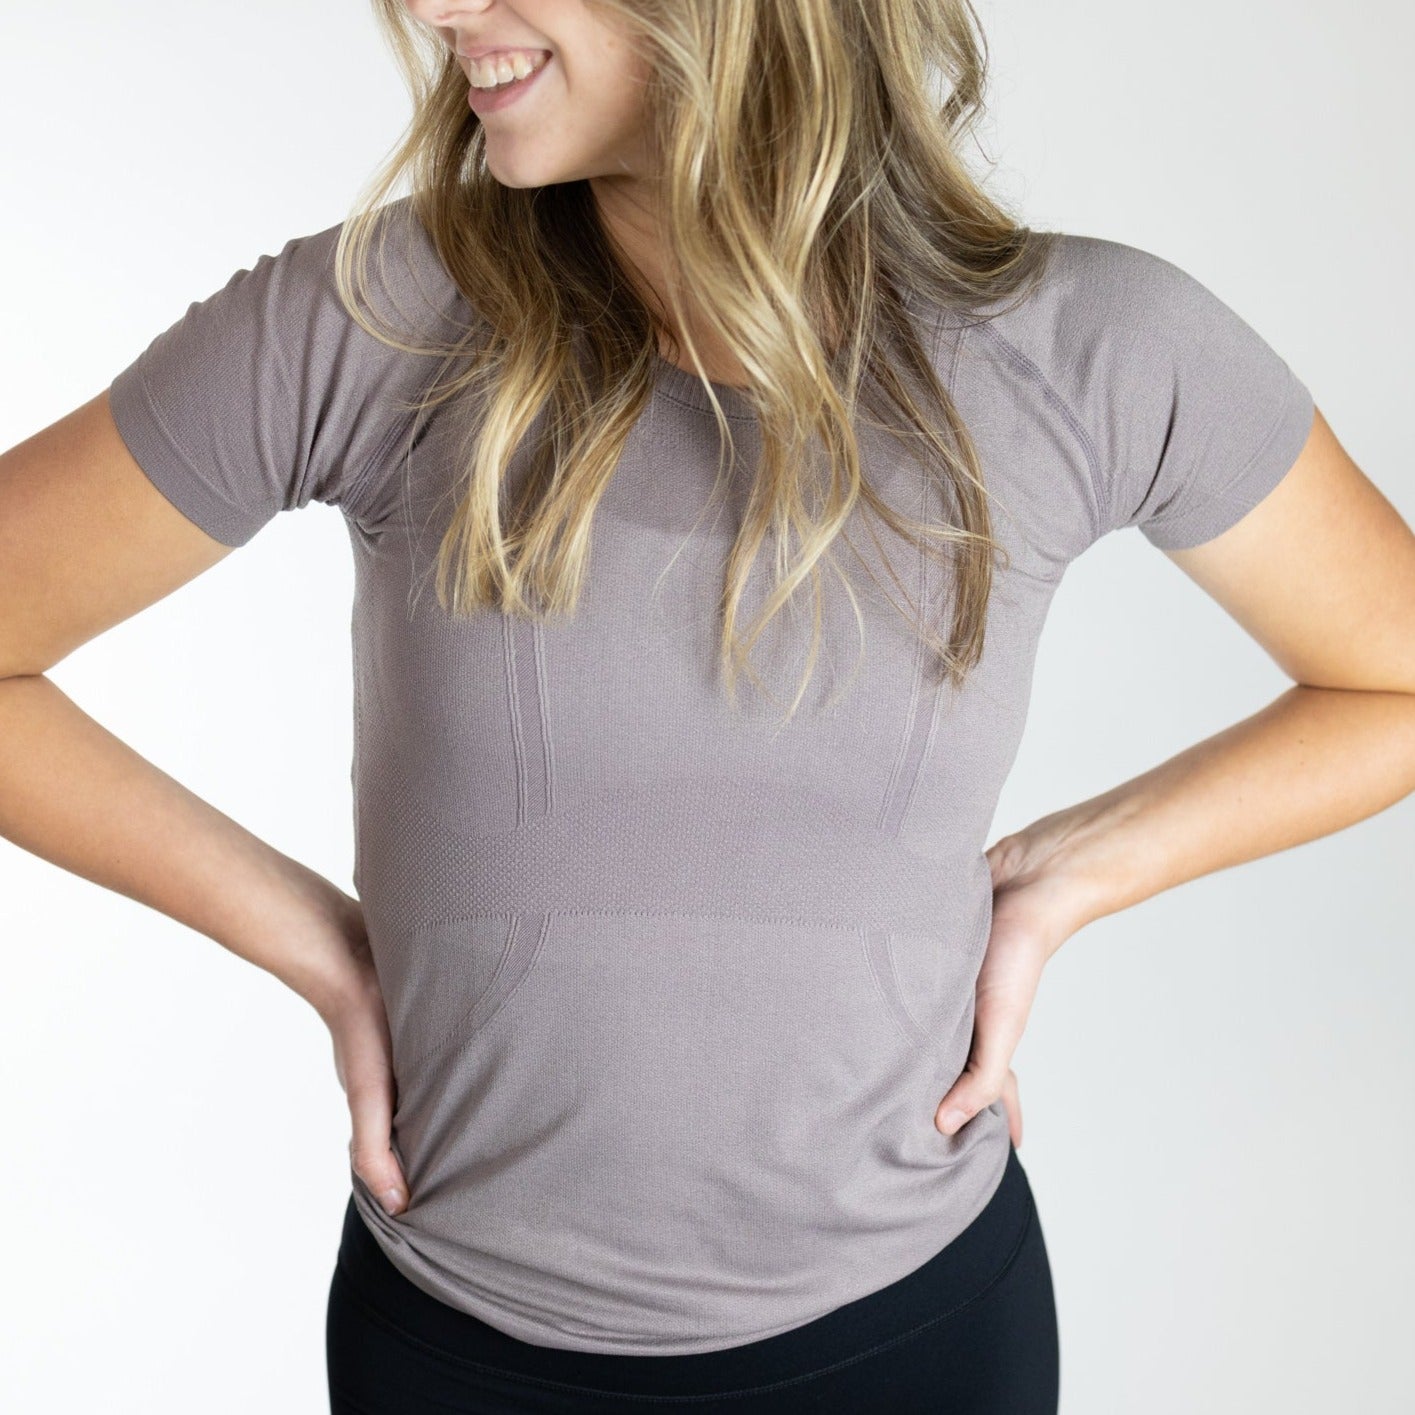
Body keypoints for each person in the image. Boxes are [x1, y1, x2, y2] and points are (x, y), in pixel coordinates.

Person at [2, 1, 1410, 1412]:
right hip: (454, 1346)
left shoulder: (1088, 347)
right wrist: (325, 952)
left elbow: (1390, 677)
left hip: (913, 1339)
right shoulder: (375, 321)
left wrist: (1069, 876)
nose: (435, 5)